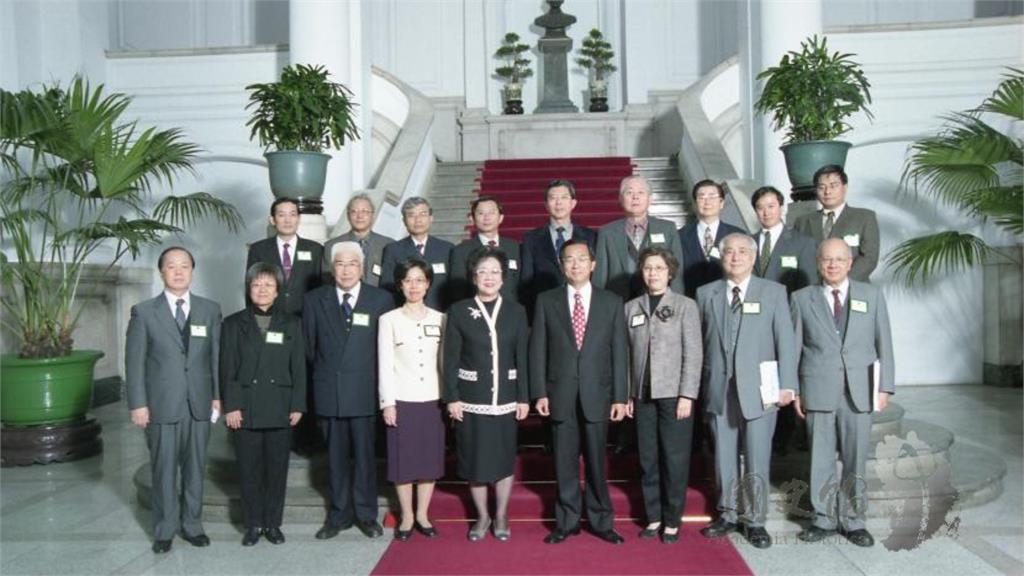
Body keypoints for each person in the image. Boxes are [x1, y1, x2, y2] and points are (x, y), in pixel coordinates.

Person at [791, 238, 895, 548]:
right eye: (827, 260)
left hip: (859, 390)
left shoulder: (871, 295)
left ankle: (854, 521)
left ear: (850, 263)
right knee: (820, 459)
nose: (833, 265)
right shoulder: (801, 298)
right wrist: (795, 390)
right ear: (818, 264)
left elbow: (884, 343)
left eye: (839, 259)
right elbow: (794, 348)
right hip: (818, 388)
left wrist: (885, 386)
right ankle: (822, 519)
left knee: (855, 458)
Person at [696, 233, 797, 549]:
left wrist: (788, 384)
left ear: (753, 257)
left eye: (741, 252)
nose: (735, 257)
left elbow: (787, 343)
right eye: (728, 252)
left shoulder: (774, 292)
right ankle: (727, 513)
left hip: (761, 388)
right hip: (719, 387)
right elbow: (699, 342)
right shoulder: (705, 293)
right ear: (720, 257)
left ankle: (755, 520)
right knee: (724, 455)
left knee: (757, 454)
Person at [530, 240, 629, 545]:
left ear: (593, 264)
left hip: (598, 394)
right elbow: (538, 350)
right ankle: (567, 520)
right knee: (564, 461)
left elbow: (619, 352)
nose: (575, 265)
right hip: (559, 393)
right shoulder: (547, 300)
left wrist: (620, 397)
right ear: (561, 265)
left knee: (598, 463)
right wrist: (539, 392)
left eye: (581, 259)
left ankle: (601, 521)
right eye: (569, 260)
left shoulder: (611, 302)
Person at [125, 247, 222, 554]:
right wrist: (138, 404)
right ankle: (165, 528)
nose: (178, 272)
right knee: (164, 470)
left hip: (199, 404)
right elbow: (134, 362)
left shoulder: (210, 310)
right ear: (161, 272)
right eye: (171, 267)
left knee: (195, 468)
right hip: (160, 405)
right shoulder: (144, 312)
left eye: (184, 266)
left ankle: (192, 525)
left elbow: (216, 359)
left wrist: (218, 397)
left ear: (192, 271)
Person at [303, 241, 394, 540]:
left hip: (364, 392)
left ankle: (366, 515)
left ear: (362, 267)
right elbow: (309, 349)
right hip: (329, 391)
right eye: (340, 263)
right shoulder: (315, 299)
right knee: (335, 459)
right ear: (332, 267)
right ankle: (338, 515)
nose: (345, 269)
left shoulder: (380, 299)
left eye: (352, 263)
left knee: (366, 458)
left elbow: (385, 352)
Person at [442, 246, 530, 542]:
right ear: (473, 276)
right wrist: (451, 397)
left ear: (504, 278)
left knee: (504, 458)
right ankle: (482, 516)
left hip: (506, 397)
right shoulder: (458, 310)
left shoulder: (516, 311)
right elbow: (450, 358)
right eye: (482, 271)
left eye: (495, 272)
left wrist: (524, 397)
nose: (489, 277)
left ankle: (502, 514)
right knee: (474, 460)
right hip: (470, 399)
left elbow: (523, 357)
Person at [219, 262, 306, 546]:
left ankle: (273, 524)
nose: (262, 290)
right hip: (246, 408)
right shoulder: (233, 323)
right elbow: (227, 368)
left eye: (269, 284)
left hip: (280, 406)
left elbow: (298, 368)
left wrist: (297, 405)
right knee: (249, 469)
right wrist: (231, 406)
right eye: (257, 284)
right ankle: (253, 524)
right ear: (249, 288)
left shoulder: (291, 322)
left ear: (278, 290)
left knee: (277, 470)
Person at [623, 247, 702, 544]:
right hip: (643, 395)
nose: (653, 273)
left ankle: (672, 520)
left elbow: (694, 354)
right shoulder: (631, 308)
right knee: (648, 459)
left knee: (674, 458)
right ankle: (653, 516)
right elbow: (628, 356)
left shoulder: (685, 306)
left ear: (670, 272)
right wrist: (629, 394)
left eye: (658, 268)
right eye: (647, 268)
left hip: (675, 395)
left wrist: (687, 395)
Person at [378, 258, 446, 541]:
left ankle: (422, 514)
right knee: (403, 462)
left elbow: (445, 362)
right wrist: (387, 402)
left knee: (428, 461)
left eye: (420, 280)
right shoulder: (388, 319)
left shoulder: (440, 318)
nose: (414, 286)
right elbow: (384, 363)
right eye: (408, 280)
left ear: (428, 283)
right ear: (400, 285)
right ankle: (406, 516)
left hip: (432, 399)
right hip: (402, 400)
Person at [750, 185, 818, 456]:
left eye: (771, 206)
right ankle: (767, 435)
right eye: (760, 207)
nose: (766, 212)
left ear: (781, 208)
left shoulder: (802, 243)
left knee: (788, 376)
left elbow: (809, 286)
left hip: (788, 322)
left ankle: (786, 438)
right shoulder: (747, 242)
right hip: (755, 323)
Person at [594, 175, 685, 300]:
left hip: (659, 302)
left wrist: (676, 303)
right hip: (618, 302)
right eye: (629, 192)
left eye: (641, 192)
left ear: (650, 199)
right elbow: (600, 276)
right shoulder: (607, 232)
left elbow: (677, 273)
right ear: (620, 199)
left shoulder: (667, 228)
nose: (635, 197)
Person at [520, 179, 597, 320]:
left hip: (583, 309)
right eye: (553, 198)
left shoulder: (591, 236)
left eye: (564, 197)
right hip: (545, 311)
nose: (558, 203)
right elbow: (527, 281)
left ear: (573, 203)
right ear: (546, 205)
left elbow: (595, 276)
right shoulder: (531, 239)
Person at [792, 165, 880, 282]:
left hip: (853, 288)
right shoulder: (802, 221)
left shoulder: (864, 217)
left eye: (833, 186)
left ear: (845, 187)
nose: (827, 191)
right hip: (813, 290)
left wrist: (840, 283)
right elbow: (797, 258)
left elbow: (869, 258)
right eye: (822, 187)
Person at [246, 197, 323, 316]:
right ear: (272, 220)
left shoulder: (315, 249)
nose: (288, 220)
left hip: (305, 319)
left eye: (292, 215)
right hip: (270, 318)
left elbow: (322, 289)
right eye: (282, 215)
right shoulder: (258, 249)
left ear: (298, 218)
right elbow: (251, 288)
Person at [380, 197, 455, 311]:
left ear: (431, 218)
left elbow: (454, 288)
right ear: (404, 221)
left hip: (440, 314)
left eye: (423, 214)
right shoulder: (393, 250)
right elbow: (388, 288)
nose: (418, 220)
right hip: (405, 314)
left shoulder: (447, 249)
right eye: (411, 215)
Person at [678, 179, 747, 298]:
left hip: (727, 300)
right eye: (701, 197)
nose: (707, 202)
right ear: (695, 203)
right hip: (691, 299)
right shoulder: (680, 235)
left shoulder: (738, 235)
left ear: (721, 203)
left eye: (712, 197)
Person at [448, 195, 522, 304]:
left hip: (511, 312)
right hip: (476, 313)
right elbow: (458, 290)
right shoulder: (460, 251)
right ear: (472, 219)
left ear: (501, 218)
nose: (486, 217)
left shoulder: (515, 247)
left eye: (491, 213)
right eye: (481, 213)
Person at [323, 194, 393, 287]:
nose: (360, 216)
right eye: (354, 212)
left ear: (373, 215)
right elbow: (327, 282)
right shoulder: (332, 246)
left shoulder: (389, 245)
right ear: (348, 216)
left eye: (365, 211)